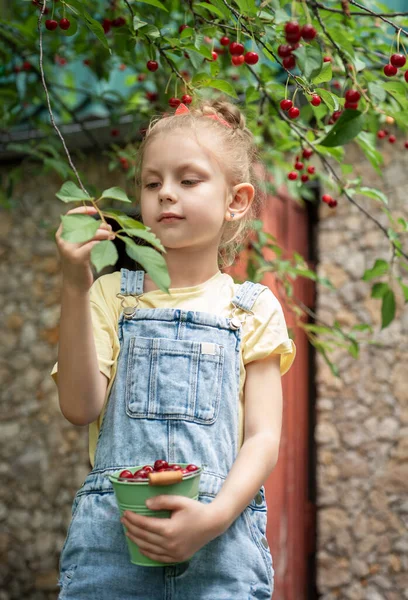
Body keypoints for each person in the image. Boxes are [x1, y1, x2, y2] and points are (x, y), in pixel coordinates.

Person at [51, 98, 296, 599]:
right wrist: (73, 287)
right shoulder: (111, 294)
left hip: (220, 548)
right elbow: (79, 408)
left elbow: (263, 439)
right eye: (152, 181)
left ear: (237, 200)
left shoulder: (252, 308)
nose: (166, 194)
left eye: (188, 180)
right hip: (112, 549)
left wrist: (213, 518)